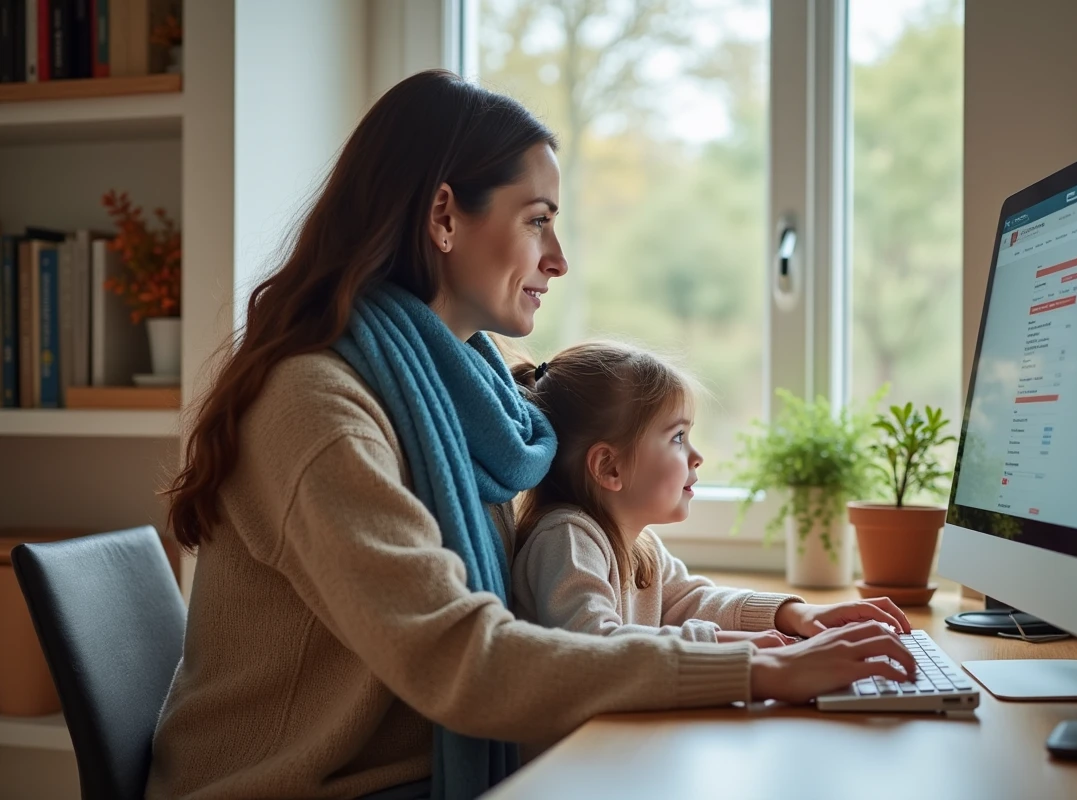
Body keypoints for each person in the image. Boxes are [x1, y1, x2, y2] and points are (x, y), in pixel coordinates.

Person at [146, 69, 918, 800]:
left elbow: (647, 593)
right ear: (444, 217)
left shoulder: (468, 402)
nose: (559, 259)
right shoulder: (316, 408)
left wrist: (784, 627)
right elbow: (463, 658)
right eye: (538, 221)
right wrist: (760, 669)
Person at [509, 342, 912, 648]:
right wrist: (737, 647)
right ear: (609, 467)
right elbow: (596, 643)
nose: (696, 456)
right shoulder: (567, 540)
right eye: (678, 437)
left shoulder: (639, 546)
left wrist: (797, 615)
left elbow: (693, 601)